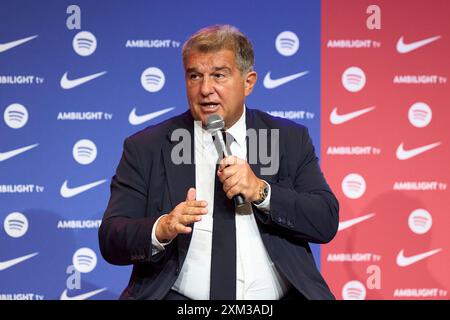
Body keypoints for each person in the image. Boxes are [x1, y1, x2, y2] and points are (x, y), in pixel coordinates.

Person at [99, 25, 339, 300]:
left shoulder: (287, 139)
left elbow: (325, 220)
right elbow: (111, 238)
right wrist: (162, 228)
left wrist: (262, 192)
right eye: (194, 76)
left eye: (218, 75)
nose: (205, 89)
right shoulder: (147, 147)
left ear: (248, 82)